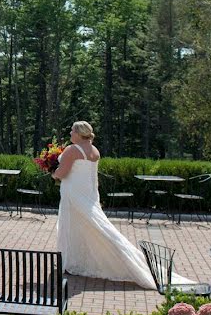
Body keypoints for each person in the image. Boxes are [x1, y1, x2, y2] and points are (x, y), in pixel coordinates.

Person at [52, 121, 193, 289]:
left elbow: (62, 172)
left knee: (73, 227)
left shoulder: (72, 150)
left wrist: (52, 172)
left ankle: (72, 260)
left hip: (73, 195)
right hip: (87, 196)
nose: (70, 134)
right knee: (89, 228)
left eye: (72, 131)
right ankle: (74, 260)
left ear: (78, 133)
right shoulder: (94, 150)